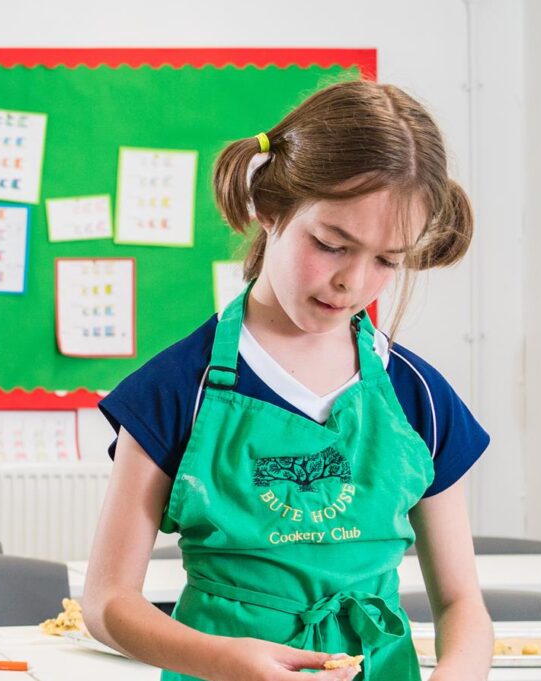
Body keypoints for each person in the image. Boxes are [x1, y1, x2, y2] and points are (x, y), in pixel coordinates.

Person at [82, 81, 494, 680]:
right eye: (332, 245)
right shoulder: (176, 390)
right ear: (270, 209)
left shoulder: (418, 397)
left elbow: (461, 604)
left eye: (386, 261)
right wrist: (223, 659)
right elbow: (107, 603)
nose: (352, 283)